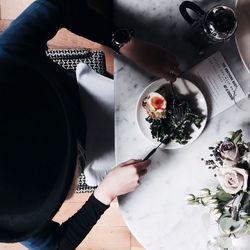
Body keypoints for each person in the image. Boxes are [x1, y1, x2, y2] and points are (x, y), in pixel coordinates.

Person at [0, 0, 180, 249]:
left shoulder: (7, 61)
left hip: (73, 95)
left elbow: (54, 6)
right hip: (94, 159)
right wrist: (103, 195)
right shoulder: (12, 216)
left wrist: (124, 43)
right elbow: (56, 246)